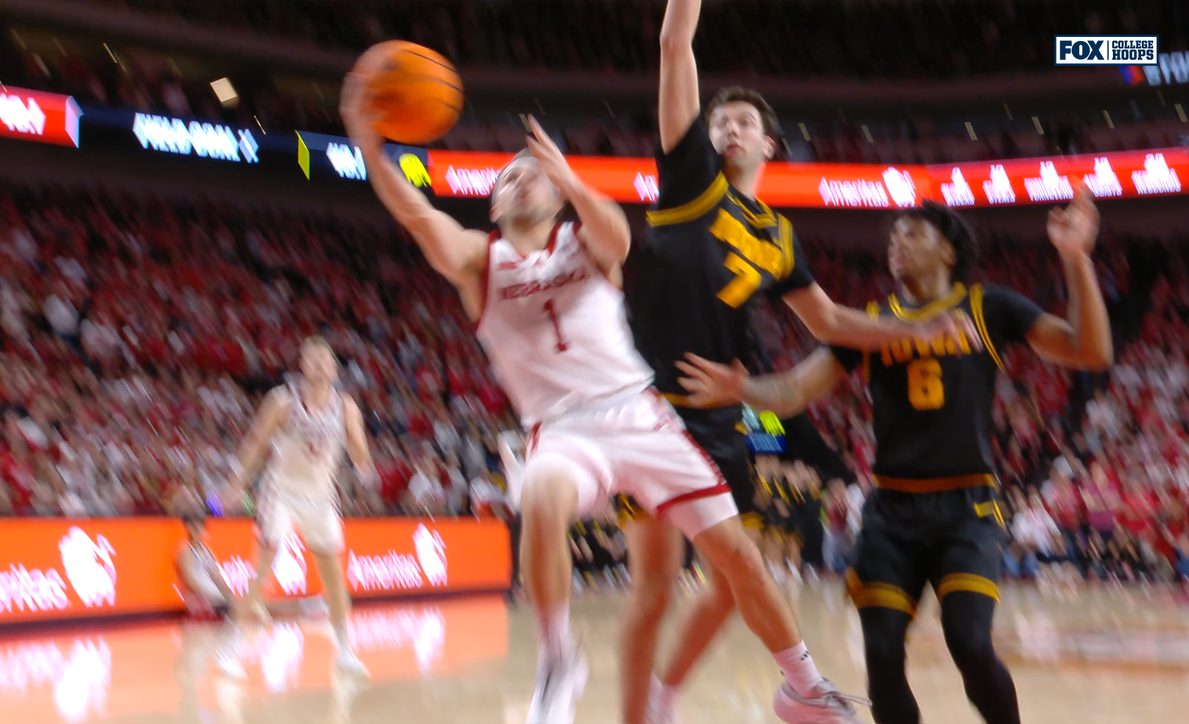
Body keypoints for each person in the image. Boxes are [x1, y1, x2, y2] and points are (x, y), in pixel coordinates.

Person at [343, 50, 901, 724]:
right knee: (542, 497)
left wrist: (569, 178)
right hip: (563, 431)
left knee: (738, 557)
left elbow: (615, 232)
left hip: (640, 415)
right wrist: (368, 144)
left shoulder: (585, 243)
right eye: (509, 177)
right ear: (492, 204)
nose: (522, 181)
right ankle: (559, 661)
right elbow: (416, 215)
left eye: (533, 174)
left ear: (557, 194)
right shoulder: (477, 261)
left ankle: (804, 685)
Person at [617, 1, 972, 722]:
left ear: (769, 145)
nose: (729, 128)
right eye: (720, 121)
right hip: (648, 408)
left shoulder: (779, 237)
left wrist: (917, 326)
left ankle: (664, 696)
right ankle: (667, 708)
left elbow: (832, 322)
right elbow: (675, 42)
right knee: (655, 588)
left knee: (731, 585)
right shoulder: (689, 177)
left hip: (717, 418)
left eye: (744, 122)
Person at [673, 187, 1112, 724]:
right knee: (881, 656)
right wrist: (741, 388)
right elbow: (795, 389)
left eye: (913, 233)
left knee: (970, 643)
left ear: (947, 250)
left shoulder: (988, 306)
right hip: (891, 514)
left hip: (966, 511)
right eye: (894, 235)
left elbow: (1090, 351)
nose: (897, 242)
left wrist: (1076, 259)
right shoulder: (872, 322)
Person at [226, 336, 374, 677]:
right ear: (303, 366)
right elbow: (255, 442)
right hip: (281, 492)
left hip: (320, 497)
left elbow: (359, 449)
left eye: (327, 360)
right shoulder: (282, 401)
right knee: (263, 570)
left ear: (334, 370)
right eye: (314, 360)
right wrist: (236, 483)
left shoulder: (346, 407)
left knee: (334, 578)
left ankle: (345, 651)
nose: (321, 366)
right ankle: (231, 648)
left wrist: (364, 467)